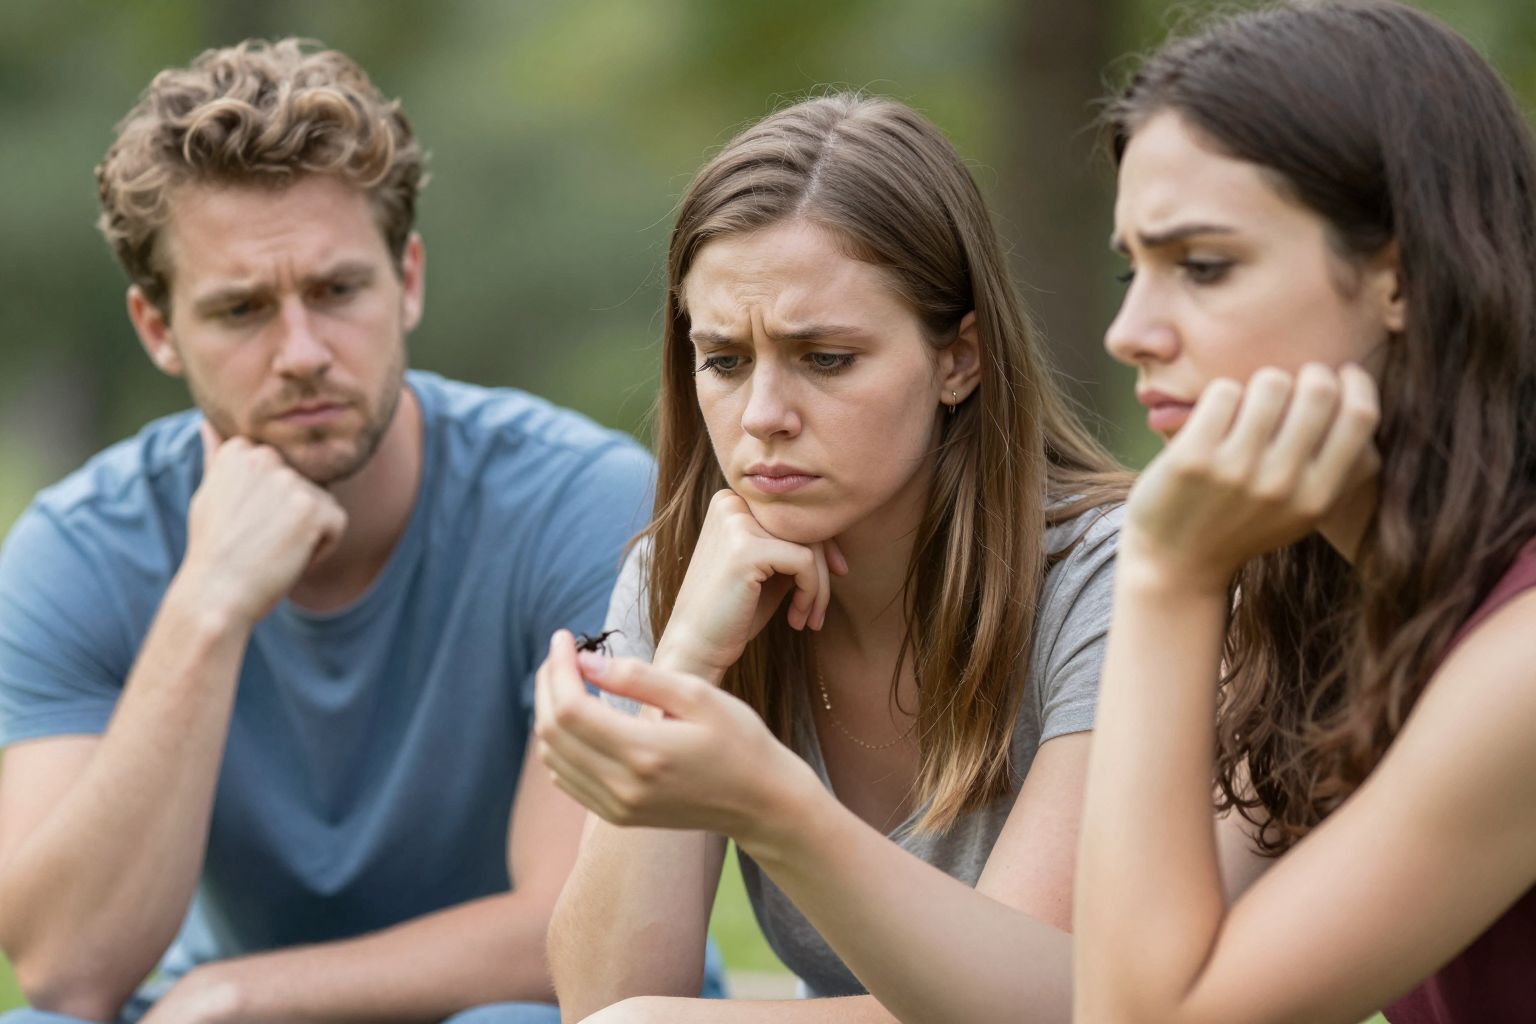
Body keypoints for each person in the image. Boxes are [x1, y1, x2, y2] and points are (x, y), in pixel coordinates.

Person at [0, 39, 689, 1024]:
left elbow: (572, 936)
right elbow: (67, 972)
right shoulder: (76, 551)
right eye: (241, 309)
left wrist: (240, 993)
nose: (303, 353)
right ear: (157, 329)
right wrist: (207, 605)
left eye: (336, 291)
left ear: (406, 280)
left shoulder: (579, 502)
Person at [532, 93, 1128, 1022]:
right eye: (725, 361)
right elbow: (602, 996)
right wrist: (682, 667)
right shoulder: (688, 575)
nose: (764, 415)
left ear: (960, 360)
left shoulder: (1104, 577)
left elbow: (1039, 1009)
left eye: (826, 359)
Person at [1072, 2, 1536, 1022]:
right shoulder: (1325, 585)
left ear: (1400, 279)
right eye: (1130, 269)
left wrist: (1167, 577)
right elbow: (1122, 973)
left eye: (1202, 266)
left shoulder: (1523, 654)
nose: (1129, 331)